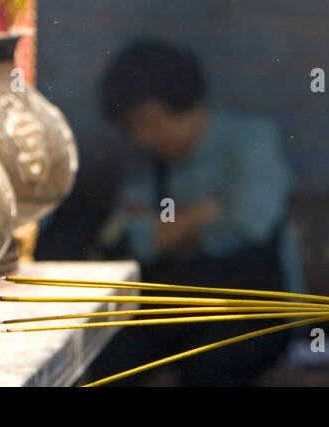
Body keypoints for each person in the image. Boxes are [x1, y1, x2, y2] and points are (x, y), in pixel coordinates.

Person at [89, 37, 303, 385]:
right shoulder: (147, 163)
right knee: (111, 356)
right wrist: (207, 212)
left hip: (258, 307)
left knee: (211, 366)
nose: (144, 137)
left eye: (150, 120)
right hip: (179, 307)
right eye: (134, 127)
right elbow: (139, 239)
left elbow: (251, 222)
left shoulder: (251, 140)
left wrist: (173, 230)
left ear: (186, 104)